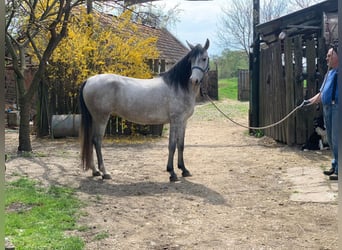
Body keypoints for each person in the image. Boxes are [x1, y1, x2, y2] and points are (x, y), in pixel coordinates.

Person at [306, 45, 339, 180]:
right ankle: (335, 165)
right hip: (327, 108)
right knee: (331, 140)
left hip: (337, 108)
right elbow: (321, 93)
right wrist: (308, 102)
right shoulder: (329, 74)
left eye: (329, 55)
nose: (327, 58)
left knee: (338, 139)